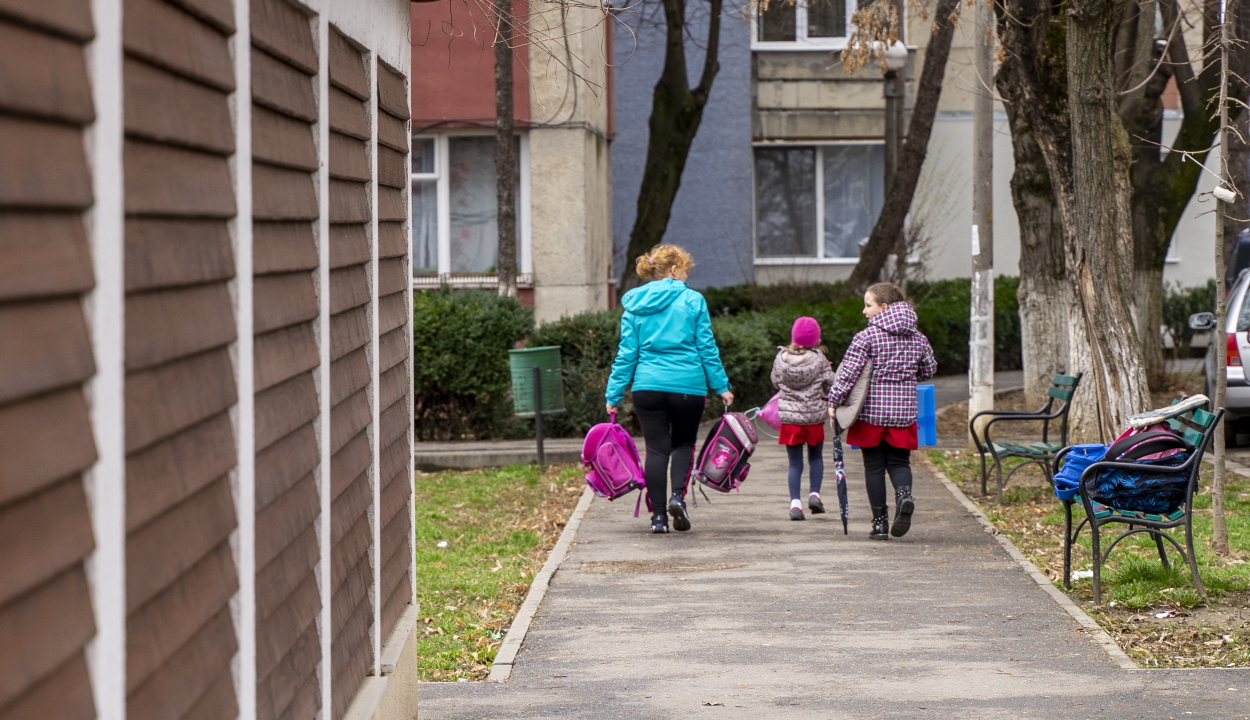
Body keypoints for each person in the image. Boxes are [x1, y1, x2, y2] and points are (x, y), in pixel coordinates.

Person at [605, 245, 733, 534]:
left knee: (656, 450)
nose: (688, 276)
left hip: (647, 387)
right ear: (675, 270)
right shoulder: (692, 300)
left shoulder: (635, 305)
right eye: (686, 270)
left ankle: (659, 518)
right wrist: (721, 386)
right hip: (688, 385)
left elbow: (626, 354)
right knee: (684, 444)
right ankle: (678, 496)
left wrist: (613, 394)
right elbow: (706, 348)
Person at [825, 283, 936, 540]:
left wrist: (834, 402)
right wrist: (908, 373)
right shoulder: (918, 337)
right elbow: (929, 369)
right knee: (899, 462)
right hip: (903, 413)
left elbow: (848, 375)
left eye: (868, 305)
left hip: (871, 414)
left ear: (884, 307)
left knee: (873, 467)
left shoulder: (867, 337)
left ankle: (880, 524)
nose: (864, 311)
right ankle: (904, 495)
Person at [770, 317, 835, 521]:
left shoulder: (780, 358)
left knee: (794, 464)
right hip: (814, 417)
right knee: (815, 458)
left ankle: (795, 505)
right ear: (816, 340)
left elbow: (775, 382)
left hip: (790, 419)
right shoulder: (820, 360)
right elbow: (830, 383)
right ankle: (814, 494)